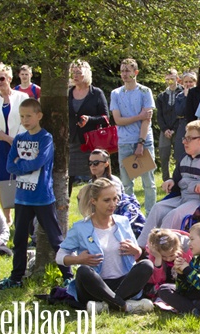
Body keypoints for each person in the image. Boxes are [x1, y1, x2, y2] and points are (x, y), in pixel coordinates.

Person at [0, 99, 73, 290]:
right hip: (22, 198)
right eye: (22, 116)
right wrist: (22, 166)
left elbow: (38, 162)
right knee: (19, 240)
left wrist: (21, 166)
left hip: (42, 197)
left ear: (39, 116)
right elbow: (9, 165)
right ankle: (16, 278)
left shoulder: (46, 138)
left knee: (55, 239)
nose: (25, 119)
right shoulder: (19, 139)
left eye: (29, 116)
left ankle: (68, 276)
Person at [56, 178, 154, 313]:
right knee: (83, 271)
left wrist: (136, 250)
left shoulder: (123, 222)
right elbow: (59, 256)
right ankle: (125, 305)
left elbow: (136, 254)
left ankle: (107, 305)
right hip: (95, 286)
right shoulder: (80, 227)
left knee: (147, 265)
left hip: (122, 283)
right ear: (93, 201)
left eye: (115, 199)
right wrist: (78, 260)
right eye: (107, 200)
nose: (113, 204)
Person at [138, 120, 200, 248]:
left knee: (174, 215)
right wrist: (171, 182)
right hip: (182, 198)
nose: (184, 142)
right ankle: (140, 248)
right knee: (157, 208)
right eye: (184, 138)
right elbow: (177, 180)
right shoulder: (184, 158)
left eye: (189, 139)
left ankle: (161, 251)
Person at [110, 58, 157, 214]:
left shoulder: (145, 92)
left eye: (128, 71)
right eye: (122, 71)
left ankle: (150, 214)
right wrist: (139, 116)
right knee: (126, 183)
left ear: (135, 73)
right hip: (124, 142)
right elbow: (118, 120)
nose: (124, 74)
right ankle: (130, 213)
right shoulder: (116, 93)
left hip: (143, 141)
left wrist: (140, 143)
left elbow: (147, 120)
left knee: (148, 182)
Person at [0, 63, 28, 224]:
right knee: (2, 180)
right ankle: (7, 217)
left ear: (10, 78)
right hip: (0, 143)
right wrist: (6, 138)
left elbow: (26, 119)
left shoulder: (22, 97)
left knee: (21, 178)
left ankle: (22, 214)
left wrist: (16, 139)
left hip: (20, 143)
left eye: (2, 78)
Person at [68, 59, 110, 197]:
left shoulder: (96, 93)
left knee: (95, 178)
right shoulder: (68, 93)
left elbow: (106, 118)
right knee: (67, 178)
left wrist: (90, 119)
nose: (75, 76)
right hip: (71, 141)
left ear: (86, 74)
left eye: (78, 72)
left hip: (91, 143)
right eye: (73, 72)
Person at [88, 149, 146, 239]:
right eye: (90, 163)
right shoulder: (90, 183)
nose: (92, 166)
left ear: (106, 164)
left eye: (96, 163)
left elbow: (114, 204)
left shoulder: (113, 182)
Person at [145, 228, 192, 301]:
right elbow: (156, 280)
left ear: (178, 249)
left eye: (171, 255)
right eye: (164, 256)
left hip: (180, 284)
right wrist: (158, 258)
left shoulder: (185, 254)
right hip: (163, 284)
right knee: (152, 289)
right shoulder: (154, 255)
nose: (168, 259)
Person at [155, 68, 185, 181]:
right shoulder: (161, 96)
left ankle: (178, 178)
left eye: (172, 79)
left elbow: (182, 113)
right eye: (168, 79)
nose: (170, 81)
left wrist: (174, 129)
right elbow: (160, 115)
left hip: (179, 128)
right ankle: (166, 179)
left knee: (179, 154)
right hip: (165, 130)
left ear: (177, 79)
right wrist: (165, 129)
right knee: (163, 154)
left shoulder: (182, 93)